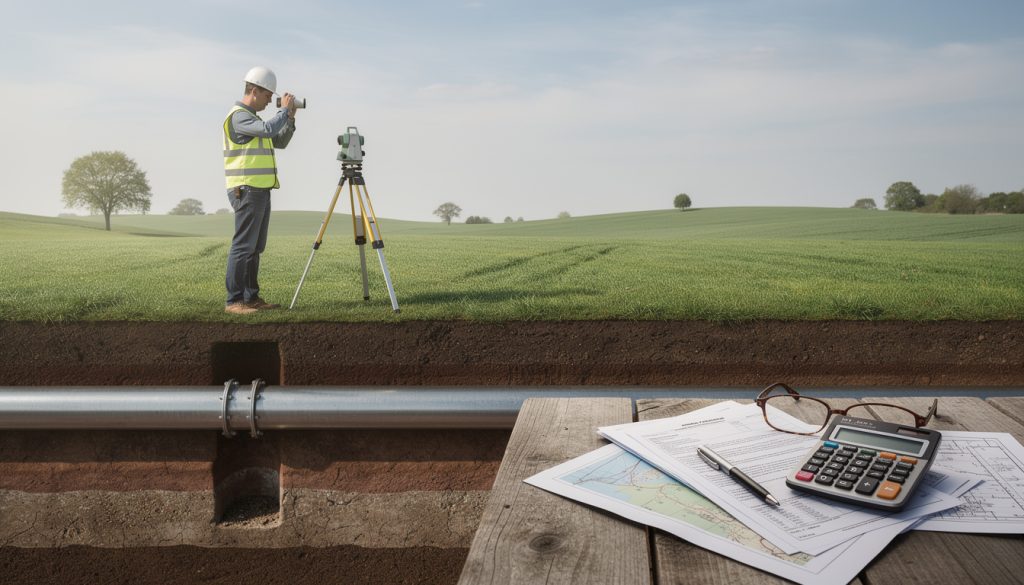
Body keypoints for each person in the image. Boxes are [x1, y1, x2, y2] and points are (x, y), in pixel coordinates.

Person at [223, 66, 298, 315]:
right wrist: (282, 111)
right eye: (267, 96)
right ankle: (234, 301)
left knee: (255, 248)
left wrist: (290, 118)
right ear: (254, 91)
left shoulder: (254, 120)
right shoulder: (239, 117)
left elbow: (280, 141)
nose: (269, 100)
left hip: (260, 190)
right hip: (245, 189)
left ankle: (250, 297)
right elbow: (268, 129)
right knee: (243, 246)